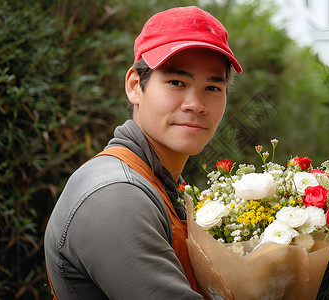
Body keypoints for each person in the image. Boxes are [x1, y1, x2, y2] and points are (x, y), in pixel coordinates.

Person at [44, 6, 242, 299]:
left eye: (213, 87)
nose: (196, 104)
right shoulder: (116, 195)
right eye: (177, 82)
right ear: (135, 86)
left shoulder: (159, 181)